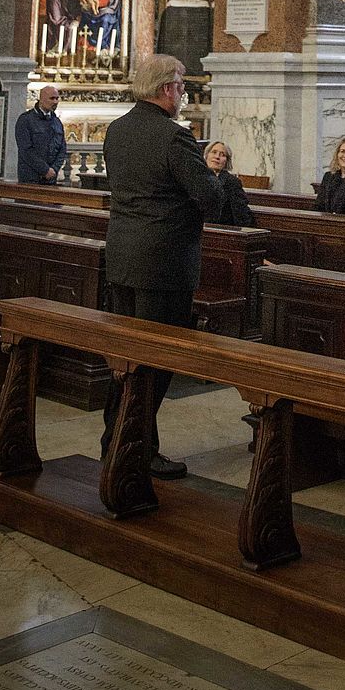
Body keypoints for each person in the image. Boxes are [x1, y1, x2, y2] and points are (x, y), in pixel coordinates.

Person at [101, 55, 221, 476]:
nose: (184, 93)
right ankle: (134, 449)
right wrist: (215, 183)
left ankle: (115, 440)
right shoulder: (174, 138)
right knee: (155, 359)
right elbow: (210, 197)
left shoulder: (117, 130)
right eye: (182, 86)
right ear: (168, 89)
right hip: (163, 264)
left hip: (122, 258)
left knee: (126, 357)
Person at [15, 83, 67, 185]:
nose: (55, 102)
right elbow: (25, 150)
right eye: (52, 98)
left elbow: (62, 149)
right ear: (41, 100)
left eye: (57, 98)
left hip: (51, 179)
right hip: (31, 178)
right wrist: (45, 170)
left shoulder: (57, 122)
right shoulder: (26, 120)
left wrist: (54, 169)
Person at [204, 140, 255, 227]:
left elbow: (240, 212)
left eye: (222, 155)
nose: (217, 157)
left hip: (221, 228)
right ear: (206, 155)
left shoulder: (232, 182)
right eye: (214, 152)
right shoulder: (197, 177)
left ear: (226, 161)